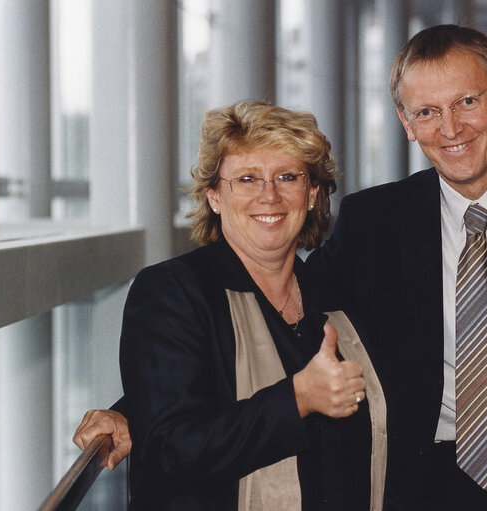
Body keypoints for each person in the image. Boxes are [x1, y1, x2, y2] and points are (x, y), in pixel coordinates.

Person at [76, 25, 487, 510]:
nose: (449, 128)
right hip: (434, 488)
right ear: (405, 122)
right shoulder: (377, 222)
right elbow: (286, 315)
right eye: (426, 111)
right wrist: (138, 408)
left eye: (466, 101)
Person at [75, 99, 388, 510]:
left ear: (311, 194)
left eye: (287, 177)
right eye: (246, 179)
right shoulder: (172, 293)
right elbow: (169, 451)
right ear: (215, 197)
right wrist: (296, 399)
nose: (269, 195)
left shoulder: (336, 297)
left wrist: (131, 409)